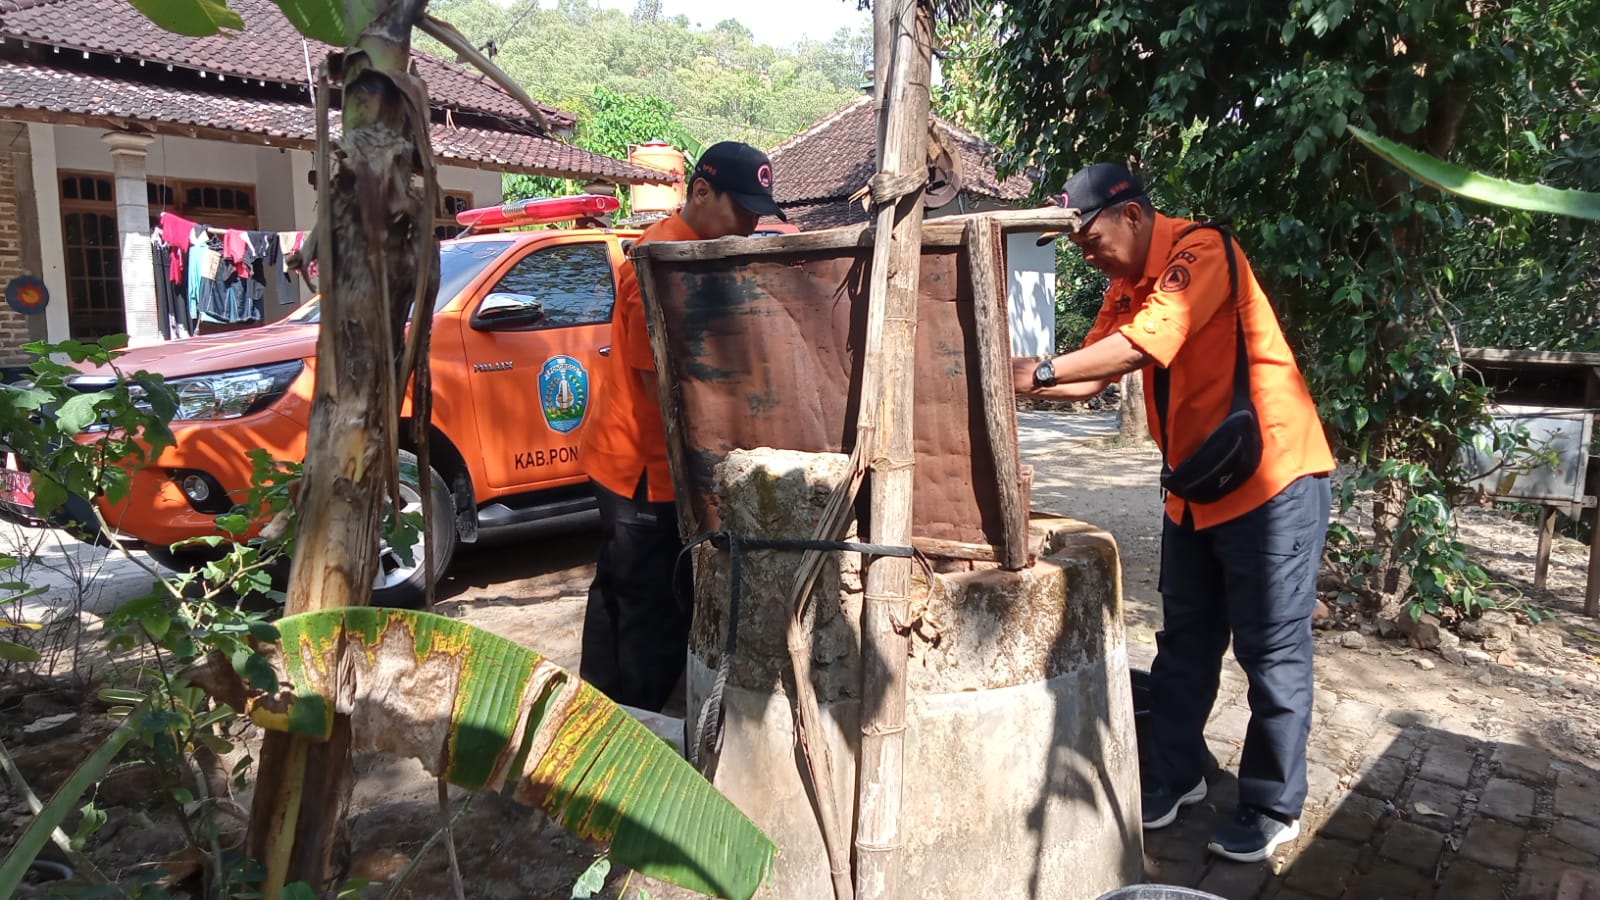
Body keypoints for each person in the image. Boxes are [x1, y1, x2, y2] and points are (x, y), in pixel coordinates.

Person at [1013, 163, 1335, 863]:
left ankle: (1272, 804)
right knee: (1184, 642)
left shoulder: (1201, 252)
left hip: (1271, 483)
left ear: (1129, 215)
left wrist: (1036, 372)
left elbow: (1140, 344)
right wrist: (1007, 374)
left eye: (1089, 236)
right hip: (1195, 488)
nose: (1086, 252)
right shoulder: (1126, 286)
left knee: (1271, 653)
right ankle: (1177, 774)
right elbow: (1093, 373)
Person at [579, 141, 786, 713]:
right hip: (642, 468)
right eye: (741, 210)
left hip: (638, 462)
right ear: (700, 191)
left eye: (756, 214)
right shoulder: (661, 260)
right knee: (651, 609)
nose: (749, 225)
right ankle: (633, 740)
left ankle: (595, 714)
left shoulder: (703, 256)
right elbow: (660, 386)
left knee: (617, 595)